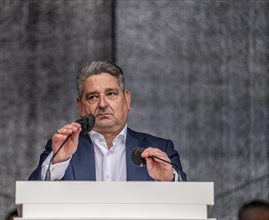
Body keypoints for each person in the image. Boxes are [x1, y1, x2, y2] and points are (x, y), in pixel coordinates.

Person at [28, 60, 187, 181]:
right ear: (81, 107)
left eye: (111, 94)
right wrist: (58, 162)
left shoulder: (160, 149)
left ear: (127, 100)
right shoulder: (62, 149)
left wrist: (170, 181)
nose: (103, 104)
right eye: (93, 97)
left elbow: (188, 203)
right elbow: (31, 200)